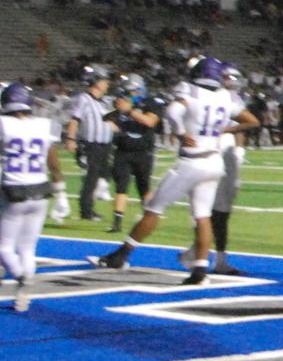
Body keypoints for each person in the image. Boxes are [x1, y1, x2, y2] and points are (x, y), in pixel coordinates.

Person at [92, 57, 256, 284]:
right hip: (214, 162)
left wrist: (180, 132)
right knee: (202, 215)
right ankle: (200, 269)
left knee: (154, 208)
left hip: (192, 161)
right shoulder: (225, 96)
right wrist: (226, 129)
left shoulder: (190, 89)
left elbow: (172, 111)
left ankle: (122, 255)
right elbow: (252, 121)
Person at [1, 82, 62, 311]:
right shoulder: (43, 125)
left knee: (4, 247)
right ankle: (23, 297)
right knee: (28, 247)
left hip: (15, 190)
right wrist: (61, 191)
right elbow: (53, 160)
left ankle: (20, 277)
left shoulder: (3, 124)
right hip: (42, 189)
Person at [208, 64, 253, 276]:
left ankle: (209, 256)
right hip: (211, 152)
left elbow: (244, 123)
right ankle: (206, 256)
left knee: (219, 207)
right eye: (228, 77)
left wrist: (240, 150)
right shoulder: (215, 96)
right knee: (216, 208)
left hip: (220, 152)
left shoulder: (232, 98)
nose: (232, 81)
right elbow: (249, 122)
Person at [105, 74, 164, 236]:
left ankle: (148, 219)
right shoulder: (122, 106)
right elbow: (110, 122)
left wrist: (129, 111)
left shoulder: (151, 103)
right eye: (128, 92)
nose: (130, 95)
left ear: (139, 89)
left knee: (144, 188)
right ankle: (117, 223)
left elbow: (149, 122)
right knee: (121, 186)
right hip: (123, 151)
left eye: (132, 91)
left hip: (143, 152)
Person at [63, 66, 114, 223]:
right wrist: (71, 139)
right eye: (105, 81)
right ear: (97, 82)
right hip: (91, 145)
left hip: (105, 145)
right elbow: (75, 119)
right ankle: (86, 211)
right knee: (91, 178)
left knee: (106, 174)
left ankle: (90, 206)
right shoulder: (84, 99)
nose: (107, 84)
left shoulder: (104, 101)